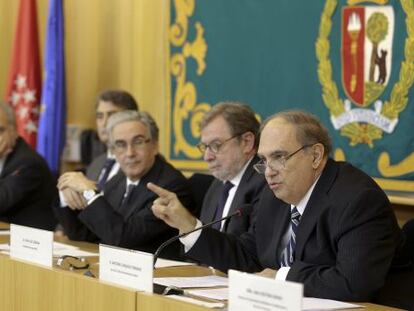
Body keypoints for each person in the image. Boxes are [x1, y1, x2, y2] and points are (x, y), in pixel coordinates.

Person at [148, 110, 409, 303]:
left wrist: (281, 277)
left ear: (316, 156)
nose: (268, 172)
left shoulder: (356, 200)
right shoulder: (276, 196)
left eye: (279, 157)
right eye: (263, 160)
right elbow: (249, 255)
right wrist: (189, 227)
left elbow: (354, 282)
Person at [54, 110, 193, 258]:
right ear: (113, 150)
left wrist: (89, 193)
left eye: (138, 142)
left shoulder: (170, 187)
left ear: (155, 145)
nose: (129, 153)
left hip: (153, 276)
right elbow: (88, 235)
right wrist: (66, 190)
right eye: (120, 144)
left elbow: (123, 238)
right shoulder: (118, 180)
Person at [60, 90, 139, 210]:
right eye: (100, 116)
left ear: (131, 118)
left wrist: (89, 191)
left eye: (112, 115)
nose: (104, 123)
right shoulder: (97, 163)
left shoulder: (141, 164)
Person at [195, 102, 266, 235]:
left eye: (216, 145)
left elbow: (248, 251)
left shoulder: (265, 183)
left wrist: (189, 225)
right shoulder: (217, 185)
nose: (207, 157)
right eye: (205, 147)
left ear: (247, 142)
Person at [0, 102, 56, 230]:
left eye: (0, 130)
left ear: (14, 130)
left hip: (33, 243)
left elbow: (2, 200)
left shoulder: (28, 162)